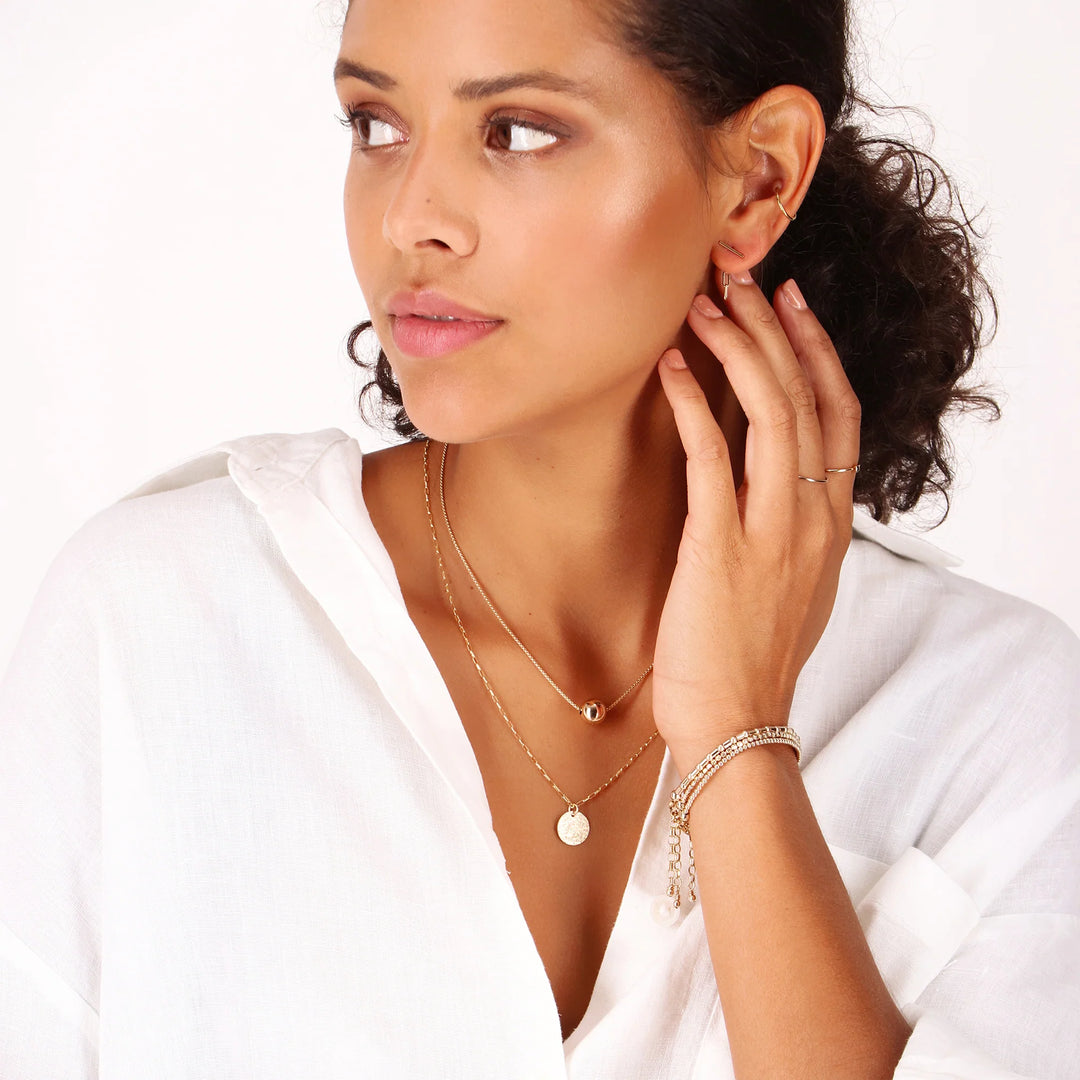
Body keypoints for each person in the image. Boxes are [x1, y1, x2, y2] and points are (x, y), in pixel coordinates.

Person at [1, 0, 1076, 1076]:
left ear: (757, 177)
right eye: (376, 124)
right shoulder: (154, 626)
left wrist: (736, 742)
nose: (412, 219)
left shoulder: (1007, 723)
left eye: (516, 130)